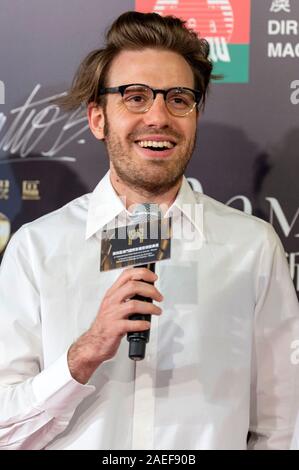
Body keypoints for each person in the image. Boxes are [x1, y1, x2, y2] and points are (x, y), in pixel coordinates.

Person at [0, 11, 298, 450]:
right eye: (135, 97)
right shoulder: (37, 249)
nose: (158, 116)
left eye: (178, 98)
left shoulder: (251, 248)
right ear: (98, 118)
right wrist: (84, 354)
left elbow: (284, 425)